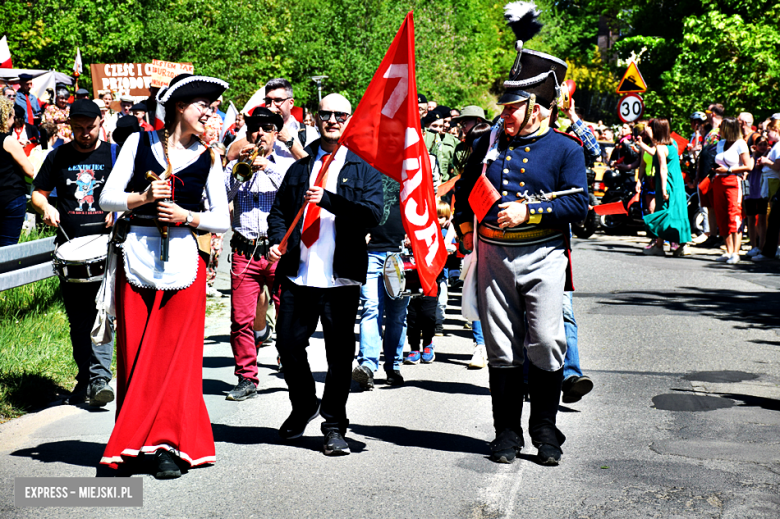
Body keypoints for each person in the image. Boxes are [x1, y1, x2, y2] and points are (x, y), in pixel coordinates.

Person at [453, 7, 588, 466]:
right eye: (505, 106)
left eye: (512, 107)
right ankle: (506, 433)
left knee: (547, 341)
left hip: (544, 253)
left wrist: (530, 208)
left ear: (537, 107)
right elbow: (465, 192)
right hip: (492, 255)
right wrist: (467, 237)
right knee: (501, 347)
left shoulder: (566, 149)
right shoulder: (487, 143)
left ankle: (546, 430)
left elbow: (580, 204)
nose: (504, 114)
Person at [98, 74, 230, 479]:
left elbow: (222, 219)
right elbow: (106, 197)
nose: (209, 111)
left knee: (178, 359)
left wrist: (187, 216)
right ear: (178, 107)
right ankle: (132, 442)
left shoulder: (209, 156)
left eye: (211, 105)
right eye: (202, 104)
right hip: (136, 256)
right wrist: (142, 198)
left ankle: (169, 447)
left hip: (185, 261)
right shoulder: (139, 143)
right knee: (137, 354)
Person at [267, 93, 383, 456]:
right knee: (287, 344)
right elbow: (279, 213)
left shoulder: (364, 165)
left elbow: (371, 215)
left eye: (340, 115)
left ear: (351, 120)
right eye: (325, 114)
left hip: (340, 278)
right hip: (299, 275)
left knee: (339, 355)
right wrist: (276, 241)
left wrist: (329, 200)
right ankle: (304, 404)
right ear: (316, 119)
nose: (332, 120)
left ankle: (334, 425)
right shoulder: (301, 167)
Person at [31, 99, 117, 404]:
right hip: (70, 248)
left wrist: (118, 212)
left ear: (100, 123)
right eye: (78, 128)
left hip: (107, 247)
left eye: (89, 128)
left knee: (103, 313)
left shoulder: (114, 154)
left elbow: (132, 194)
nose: (84, 134)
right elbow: (37, 194)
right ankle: (85, 378)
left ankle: (99, 379)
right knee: (79, 319)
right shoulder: (59, 156)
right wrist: (47, 207)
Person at [224, 107, 295, 401]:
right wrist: (240, 172)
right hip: (245, 250)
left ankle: (291, 368)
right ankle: (246, 378)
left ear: (276, 133)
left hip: (278, 251)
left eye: (267, 128)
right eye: (255, 129)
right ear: (248, 133)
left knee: (288, 316)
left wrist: (269, 168)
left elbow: (294, 196)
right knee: (241, 320)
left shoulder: (287, 166)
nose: (260, 134)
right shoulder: (235, 166)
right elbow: (219, 198)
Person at [352, 173, 409, 390]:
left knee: (397, 315)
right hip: (371, 252)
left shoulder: (410, 166)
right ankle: (367, 366)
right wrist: (358, 233)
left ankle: (393, 367)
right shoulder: (367, 167)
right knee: (371, 308)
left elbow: (423, 205)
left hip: (401, 253)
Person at [636, 118, 692, 257]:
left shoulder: (660, 148)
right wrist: (643, 143)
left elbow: (662, 169)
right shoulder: (672, 144)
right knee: (676, 212)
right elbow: (656, 150)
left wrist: (662, 189)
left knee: (663, 212)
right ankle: (681, 245)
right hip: (677, 182)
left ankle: (659, 246)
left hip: (667, 182)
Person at [228, 78, 318, 162]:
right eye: (268, 101)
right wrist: (255, 134)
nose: (271, 106)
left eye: (278, 100)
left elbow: (313, 166)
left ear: (291, 103)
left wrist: (288, 140)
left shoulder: (308, 132)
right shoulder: (253, 125)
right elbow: (230, 155)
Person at [711, 116, 752, 263]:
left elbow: (749, 166)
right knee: (721, 214)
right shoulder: (721, 143)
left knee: (734, 215)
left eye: (722, 127)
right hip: (719, 181)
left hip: (733, 180)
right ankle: (728, 250)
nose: (719, 130)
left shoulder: (740, 144)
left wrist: (728, 170)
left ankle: (736, 252)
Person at [0, 98, 35, 246]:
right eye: (12, 117)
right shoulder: (8, 140)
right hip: (10, 197)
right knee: (8, 246)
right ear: (5, 117)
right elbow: (30, 171)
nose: (14, 121)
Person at [751, 119, 780, 262]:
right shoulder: (776, 146)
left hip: (774, 183)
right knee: (772, 218)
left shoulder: (779, 146)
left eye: (769, 131)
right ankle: (770, 250)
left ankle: (771, 251)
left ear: (776, 130)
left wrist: (765, 161)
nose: (767, 134)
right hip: (771, 182)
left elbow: (778, 166)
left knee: (773, 217)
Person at [744, 136, 770, 258]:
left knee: (762, 219)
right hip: (750, 191)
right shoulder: (750, 158)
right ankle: (753, 246)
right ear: (755, 146)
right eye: (760, 144)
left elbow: (760, 166)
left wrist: (765, 153)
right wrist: (754, 154)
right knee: (750, 219)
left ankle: (762, 246)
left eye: (765, 144)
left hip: (762, 192)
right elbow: (751, 167)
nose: (763, 147)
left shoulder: (768, 157)